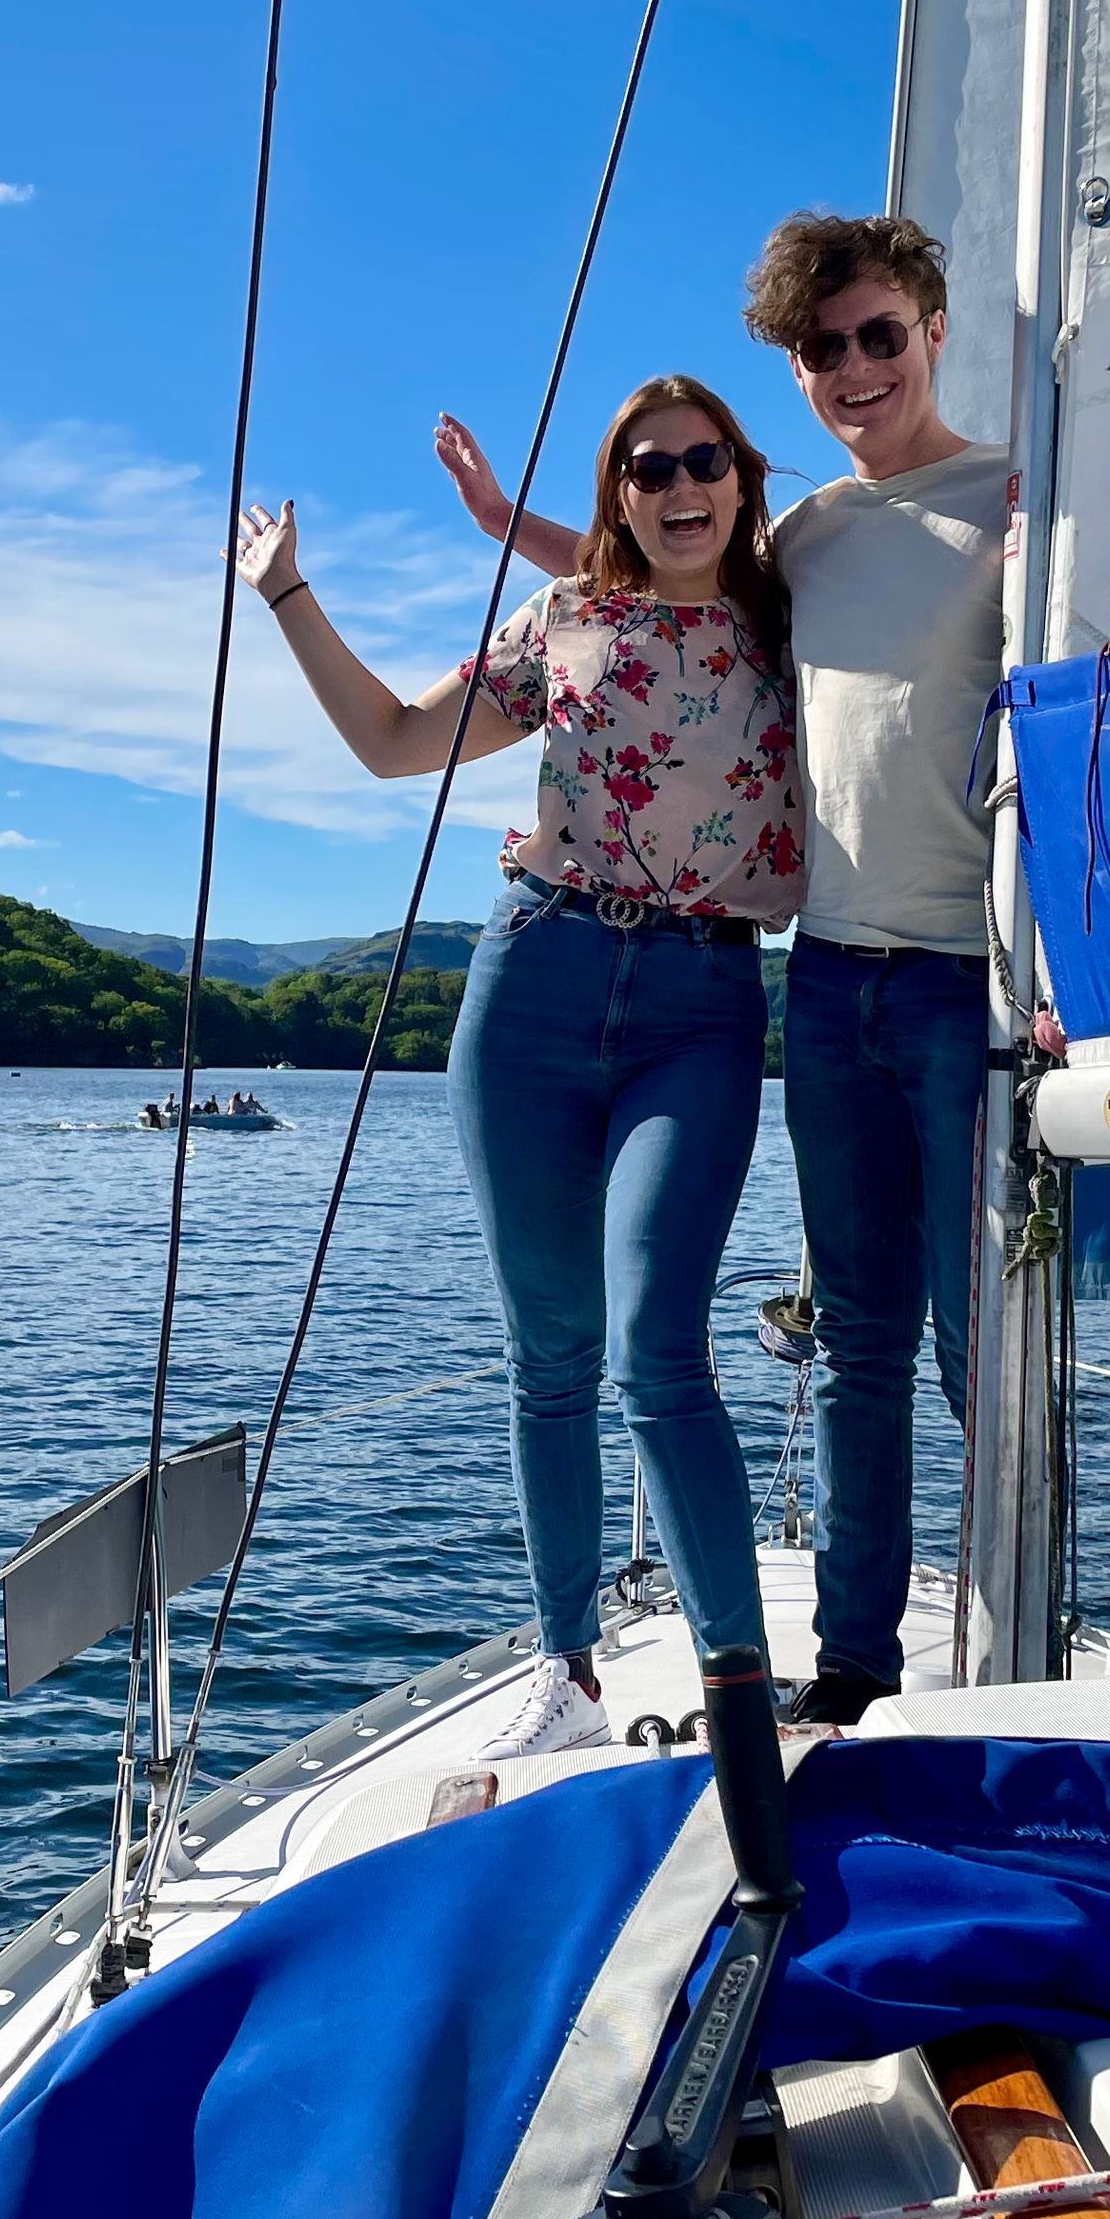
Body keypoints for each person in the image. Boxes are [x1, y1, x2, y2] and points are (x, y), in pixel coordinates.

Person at [437, 213, 1000, 1725]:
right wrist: (509, 527)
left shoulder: (1022, 503)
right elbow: (658, 582)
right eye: (825, 350)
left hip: (969, 982)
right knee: (867, 1342)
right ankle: (858, 1673)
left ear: (932, 327)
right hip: (820, 980)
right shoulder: (805, 536)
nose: (856, 368)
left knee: (982, 1349)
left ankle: (1013, 1652)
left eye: (881, 335)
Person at [247, 374, 801, 1756]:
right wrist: (285, 596)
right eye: (649, 467)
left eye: (706, 462)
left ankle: (741, 1691)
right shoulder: (566, 620)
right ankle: (567, 1676)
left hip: (703, 997)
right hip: (535, 982)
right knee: (550, 1358)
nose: (681, 487)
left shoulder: (794, 620)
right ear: (620, 494)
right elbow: (388, 747)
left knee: (658, 1349)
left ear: (742, 479)